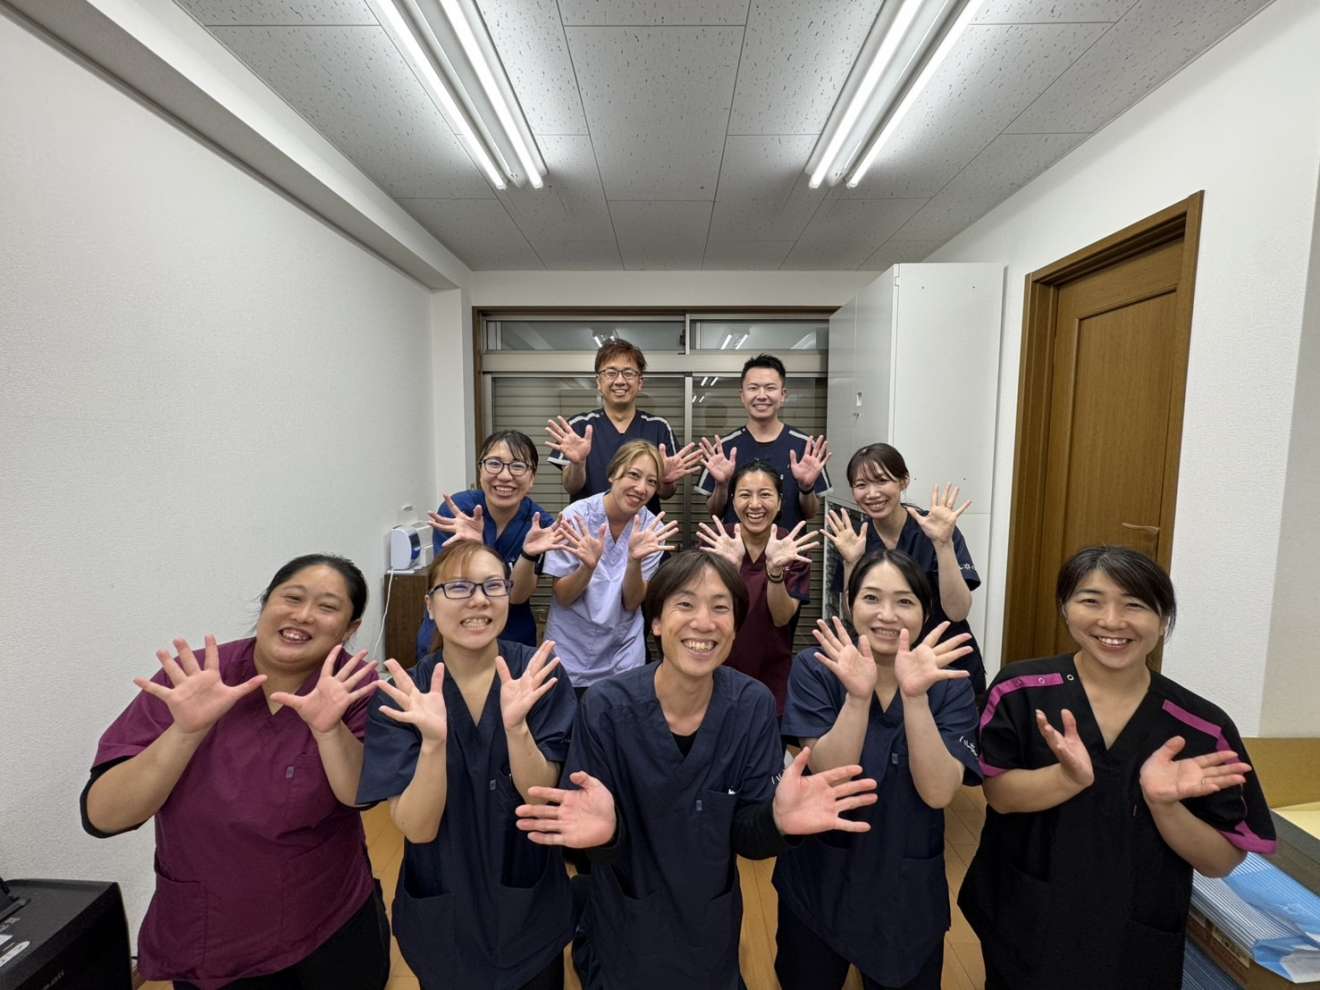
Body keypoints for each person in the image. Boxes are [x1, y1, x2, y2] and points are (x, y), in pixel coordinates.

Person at [513, 550, 881, 990]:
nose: (704, 622)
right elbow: (587, 839)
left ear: (735, 627)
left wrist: (778, 823)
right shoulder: (606, 707)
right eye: (685, 604)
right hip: (624, 928)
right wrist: (606, 836)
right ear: (655, 621)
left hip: (710, 931)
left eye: (720, 608)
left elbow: (748, 837)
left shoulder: (752, 706)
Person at [958, 546, 1276, 990]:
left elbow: (1220, 860)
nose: (1111, 621)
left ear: (1163, 620)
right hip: (1027, 917)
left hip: (1134, 935)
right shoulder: (1022, 689)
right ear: (1064, 608)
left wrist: (1164, 805)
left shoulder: (1203, 726)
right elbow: (999, 796)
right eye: (1091, 601)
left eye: (1135, 605)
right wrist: (1065, 778)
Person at [81, 554, 389, 989]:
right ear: (266, 603)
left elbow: (359, 795)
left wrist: (329, 731)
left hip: (326, 920)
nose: (303, 615)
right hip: (213, 930)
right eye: (292, 598)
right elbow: (104, 816)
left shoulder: (351, 690)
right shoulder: (193, 680)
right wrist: (186, 732)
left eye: (327, 607)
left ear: (349, 629)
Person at [358, 541, 577, 989]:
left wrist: (516, 729)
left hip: (527, 902)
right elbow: (418, 828)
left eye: (492, 586)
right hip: (444, 907)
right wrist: (433, 744)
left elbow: (543, 798)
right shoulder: (403, 696)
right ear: (429, 605)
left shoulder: (539, 676)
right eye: (458, 587)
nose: (478, 600)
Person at [773, 549, 979, 990]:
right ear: (850, 604)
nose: (887, 615)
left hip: (906, 886)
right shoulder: (819, 667)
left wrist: (916, 698)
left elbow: (939, 793)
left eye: (904, 601)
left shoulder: (947, 683)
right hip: (821, 878)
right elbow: (831, 774)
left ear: (925, 611)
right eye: (871, 598)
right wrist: (857, 697)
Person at [824, 442, 986, 696]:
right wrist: (851, 562)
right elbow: (854, 616)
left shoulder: (936, 528)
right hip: (885, 669)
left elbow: (958, 611)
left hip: (945, 663)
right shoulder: (856, 538)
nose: (872, 493)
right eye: (861, 485)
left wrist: (943, 544)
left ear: (904, 481)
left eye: (882, 481)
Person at [542, 440, 679, 694]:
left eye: (651, 481)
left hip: (622, 652)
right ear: (613, 474)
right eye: (634, 475)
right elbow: (563, 596)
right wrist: (587, 568)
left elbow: (632, 602)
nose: (641, 488)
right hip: (571, 648)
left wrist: (634, 561)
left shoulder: (652, 528)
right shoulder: (576, 516)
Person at [417, 430, 564, 660]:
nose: (505, 476)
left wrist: (528, 554)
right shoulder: (459, 511)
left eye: (518, 466)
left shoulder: (539, 525)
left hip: (511, 636)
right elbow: (450, 585)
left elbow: (516, 597)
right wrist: (473, 549)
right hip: (453, 631)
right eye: (494, 464)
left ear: (532, 478)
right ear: (481, 470)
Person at [695, 458, 818, 715]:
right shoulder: (717, 541)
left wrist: (774, 569)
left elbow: (781, 617)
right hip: (714, 672)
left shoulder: (790, 546)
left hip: (771, 675)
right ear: (732, 501)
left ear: (780, 502)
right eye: (744, 495)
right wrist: (731, 568)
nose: (754, 504)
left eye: (765, 495)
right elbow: (700, 611)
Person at [545, 337, 701, 514]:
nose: (620, 381)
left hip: (642, 527)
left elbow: (666, 494)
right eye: (611, 373)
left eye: (628, 373)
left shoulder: (659, 427)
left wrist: (665, 481)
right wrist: (578, 463)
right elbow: (571, 487)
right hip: (588, 526)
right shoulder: (578, 426)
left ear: (640, 382)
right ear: (598, 382)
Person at [695, 352, 832, 531]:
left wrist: (806, 487)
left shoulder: (805, 448)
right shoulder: (723, 449)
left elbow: (810, 513)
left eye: (770, 388)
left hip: (788, 546)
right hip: (736, 546)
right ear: (742, 396)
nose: (761, 395)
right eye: (753, 388)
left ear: (782, 395)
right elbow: (714, 512)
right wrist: (722, 485)